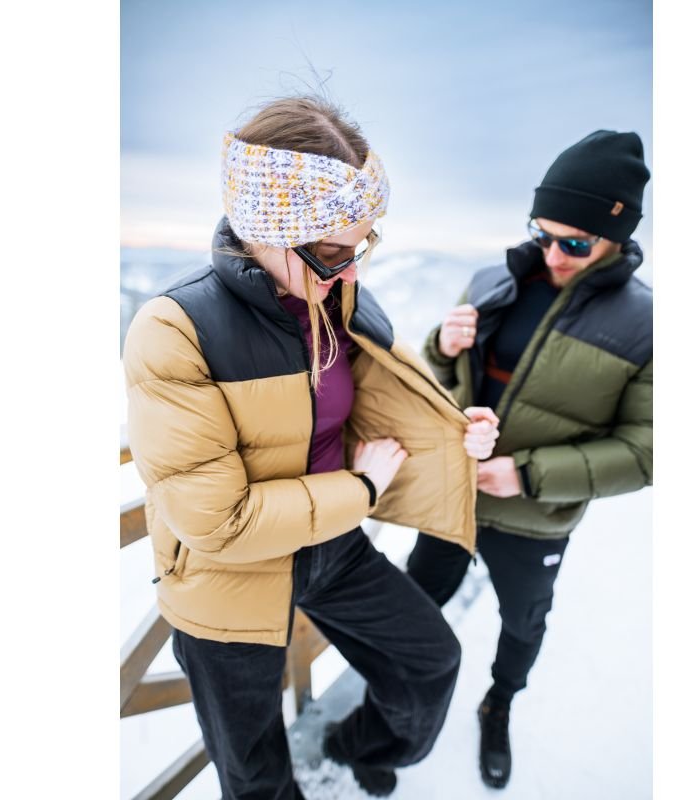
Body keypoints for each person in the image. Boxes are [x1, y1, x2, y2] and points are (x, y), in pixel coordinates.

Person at [122, 96, 499, 799]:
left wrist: (453, 427)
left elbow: (377, 397)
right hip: (228, 580)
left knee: (428, 662)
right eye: (330, 253)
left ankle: (355, 745)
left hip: (333, 546)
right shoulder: (174, 330)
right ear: (265, 229)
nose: (350, 270)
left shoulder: (338, 298)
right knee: (257, 776)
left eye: (361, 247)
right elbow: (216, 522)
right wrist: (361, 490)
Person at [406, 130, 653, 790]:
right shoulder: (492, 282)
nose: (552, 254)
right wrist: (441, 346)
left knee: (523, 622)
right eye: (542, 235)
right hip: (454, 496)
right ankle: (398, 707)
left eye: (575, 244)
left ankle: (499, 704)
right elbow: (447, 385)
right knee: (415, 603)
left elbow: (647, 451)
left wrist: (527, 474)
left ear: (617, 236)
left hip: (534, 518)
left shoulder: (646, 323)